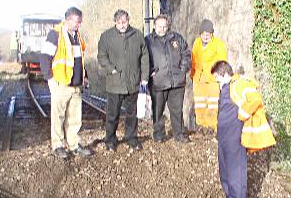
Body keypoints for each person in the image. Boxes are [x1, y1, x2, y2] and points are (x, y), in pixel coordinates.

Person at [210, 60, 276, 198]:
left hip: (235, 137)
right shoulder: (226, 87)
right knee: (225, 173)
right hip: (224, 137)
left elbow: (255, 99)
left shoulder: (240, 84)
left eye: (217, 78)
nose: (216, 81)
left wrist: (242, 115)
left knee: (236, 174)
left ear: (225, 74)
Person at [40, 7, 92, 159]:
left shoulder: (77, 36)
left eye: (80, 22)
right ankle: (57, 145)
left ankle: (74, 144)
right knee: (58, 117)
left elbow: (79, 60)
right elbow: (44, 57)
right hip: (61, 83)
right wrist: (50, 78)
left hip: (76, 84)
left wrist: (85, 76)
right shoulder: (55, 34)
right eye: (77, 22)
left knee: (75, 118)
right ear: (68, 19)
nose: (79, 25)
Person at [97, 9, 150, 151]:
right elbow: (101, 56)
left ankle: (131, 138)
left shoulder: (137, 35)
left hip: (133, 83)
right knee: (112, 114)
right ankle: (110, 140)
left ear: (128, 20)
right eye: (119, 22)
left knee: (132, 114)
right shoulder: (106, 36)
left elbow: (145, 58)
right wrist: (111, 69)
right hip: (115, 83)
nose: (122, 25)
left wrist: (144, 77)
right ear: (115, 22)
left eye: (124, 22)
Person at [144, 13, 191, 143]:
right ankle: (159, 134)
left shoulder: (176, 38)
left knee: (177, 110)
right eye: (159, 26)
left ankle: (179, 134)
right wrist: (150, 72)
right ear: (154, 26)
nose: (162, 29)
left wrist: (182, 70)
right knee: (157, 111)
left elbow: (186, 54)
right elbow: (142, 59)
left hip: (177, 82)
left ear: (168, 26)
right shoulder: (148, 41)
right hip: (157, 82)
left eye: (164, 26)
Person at [190, 19, 227, 131]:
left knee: (212, 104)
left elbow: (222, 61)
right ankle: (201, 125)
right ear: (200, 33)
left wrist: (220, 77)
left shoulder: (218, 44)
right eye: (203, 34)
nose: (205, 36)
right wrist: (192, 74)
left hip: (212, 79)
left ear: (212, 34)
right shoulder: (196, 43)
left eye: (208, 34)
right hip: (198, 78)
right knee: (200, 103)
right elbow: (193, 59)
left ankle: (211, 126)